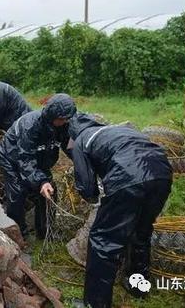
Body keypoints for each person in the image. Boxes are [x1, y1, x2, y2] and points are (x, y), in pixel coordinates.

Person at [66, 113, 173, 308]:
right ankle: (138, 286)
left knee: (102, 240)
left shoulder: (82, 140)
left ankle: (95, 303)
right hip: (162, 173)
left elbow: (86, 185)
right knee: (141, 230)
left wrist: (93, 199)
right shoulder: (117, 130)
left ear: (72, 133)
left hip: (128, 178)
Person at [0, 93, 76, 239]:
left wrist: (81, 162)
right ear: (52, 115)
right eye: (62, 119)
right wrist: (41, 181)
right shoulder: (30, 125)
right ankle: (18, 235)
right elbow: (25, 158)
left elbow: (69, 147)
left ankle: (45, 232)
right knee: (17, 192)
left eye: (67, 119)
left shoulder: (63, 125)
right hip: (12, 156)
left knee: (50, 192)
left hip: (40, 157)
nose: (65, 122)